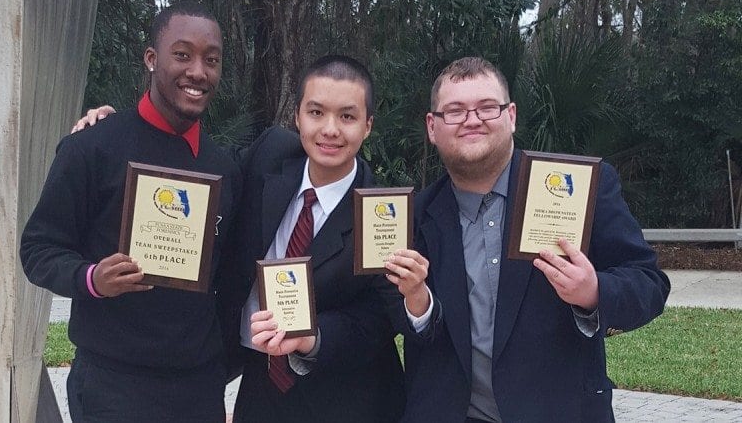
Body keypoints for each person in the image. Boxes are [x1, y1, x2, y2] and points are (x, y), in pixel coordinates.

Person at [72, 55, 405, 422]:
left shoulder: (379, 213)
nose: (330, 130)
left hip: (343, 397)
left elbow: (381, 317)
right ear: (297, 117)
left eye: (347, 116)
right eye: (316, 112)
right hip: (258, 384)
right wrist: (120, 129)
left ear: (368, 125)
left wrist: (312, 339)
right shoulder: (270, 156)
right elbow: (198, 166)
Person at [383, 56, 670, 422]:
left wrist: (593, 292)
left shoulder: (577, 188)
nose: (472, 119)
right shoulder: (412, 216)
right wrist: (417, 305)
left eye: (487, 107)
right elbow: (399, 318)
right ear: (432, 127)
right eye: (454, 110)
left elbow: (649, 284)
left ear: (511, 115)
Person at [20, 1, 241, 422]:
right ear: (151, 59)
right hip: (113, 388)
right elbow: (38, 249)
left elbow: (229, 277)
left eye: (211, 60)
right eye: (182, 55)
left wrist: (219, 370)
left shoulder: (224, 168)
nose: (198, 71)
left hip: (197, 389)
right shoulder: (91, 148)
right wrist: (93, 279)